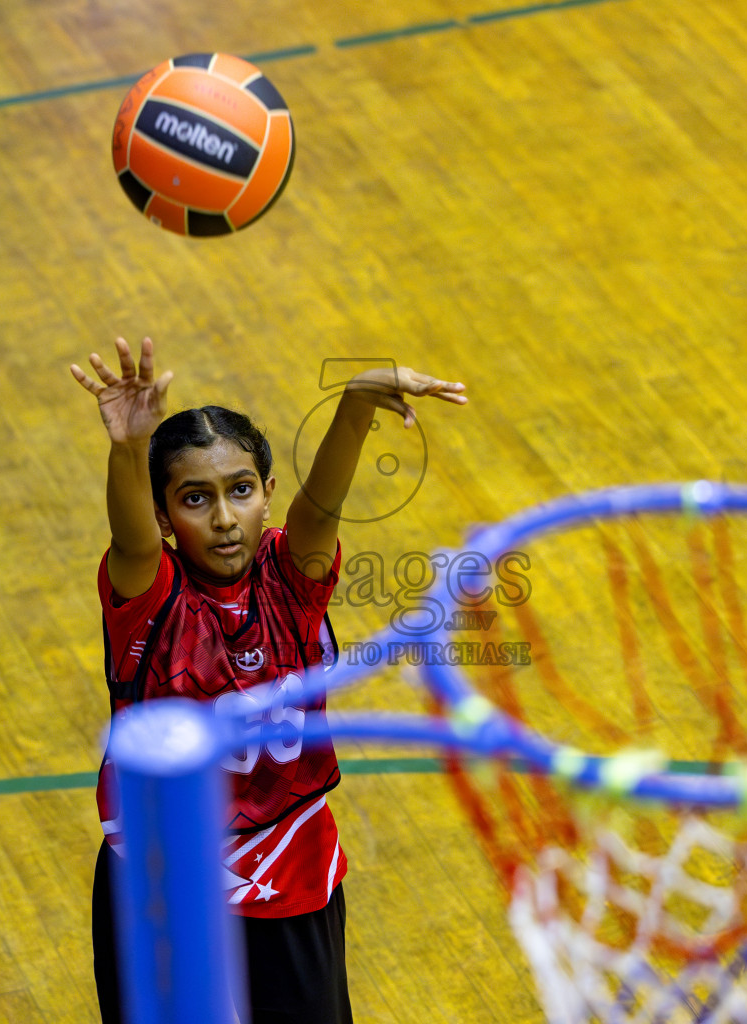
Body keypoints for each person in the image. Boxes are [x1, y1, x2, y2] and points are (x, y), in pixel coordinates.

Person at [69, 336, 466, 1023]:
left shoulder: (293, 576)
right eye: (196, 499)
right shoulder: (150, 600)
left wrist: (358, 402)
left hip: (288, 866)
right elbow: (131, 541)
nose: (224, 518)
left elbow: (321, 508)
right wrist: (129, 449)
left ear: (266, 496)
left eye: (240, 491)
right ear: (165, 517)